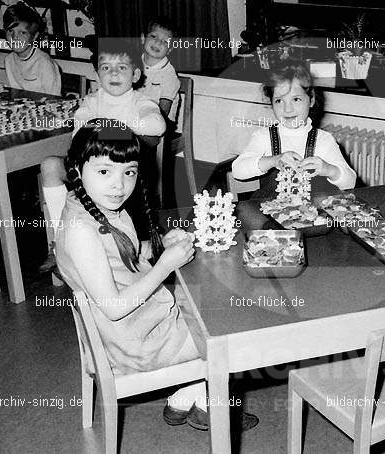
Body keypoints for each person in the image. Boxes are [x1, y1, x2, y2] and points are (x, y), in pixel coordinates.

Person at [55, 119, 258, 430]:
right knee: (231, 325)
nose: (119, 185)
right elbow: (114, 306)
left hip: (140, 325)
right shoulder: (81, 230)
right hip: (138, 341)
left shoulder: (96, 207)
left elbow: (126, 253)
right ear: (78, 170)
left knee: (210, 297)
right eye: (104, 171)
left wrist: (162, 245)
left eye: (129, 172)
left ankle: (183, 396)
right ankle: (207, 404)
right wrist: (165, 265)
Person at [39, 37, 166, 273]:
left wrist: (112, 124)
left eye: (122, 68)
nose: (114, 74)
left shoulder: (141, 101)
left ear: (136, 75)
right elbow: (79, 133)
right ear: (98, 74)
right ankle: (60, 238)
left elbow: (157, 126)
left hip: (122, 178)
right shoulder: (91, 101)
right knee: (49, 165)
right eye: (106, 68)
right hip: (91, 175)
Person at [231, 63, 356, 199]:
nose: (288, 109)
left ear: (311, 100)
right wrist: (274, 160)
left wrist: (328, 169)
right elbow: (238, 170)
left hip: (312, 212)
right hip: (271, 210)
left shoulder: (323, 140)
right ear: (271, 104)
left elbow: (350, 182)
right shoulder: (264, 136)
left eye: (296, 99)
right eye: (279, 101)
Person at [3, 1, 61, 96]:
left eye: (22, 32)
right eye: (10, 31)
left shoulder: (44, 63)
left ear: (34, 36)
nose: (15, 37)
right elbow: (15, 95)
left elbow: (54, 100)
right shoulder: (9, 61)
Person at [139, 17, 181, 121]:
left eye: (165, 42)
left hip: (161, 122)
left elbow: (163, 112)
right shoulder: (132, 65)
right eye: (154, 36)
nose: (158, 43)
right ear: (143, 38)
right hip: (135, 117)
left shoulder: (169, 75)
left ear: (169, 49)